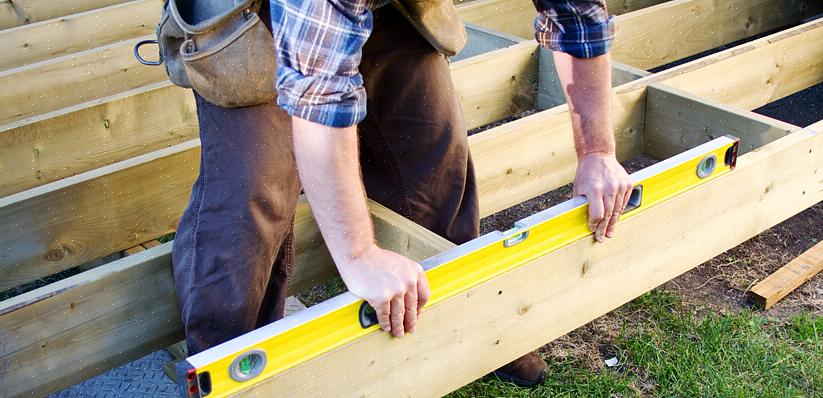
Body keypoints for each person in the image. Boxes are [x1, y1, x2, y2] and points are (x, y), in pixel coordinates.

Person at [171, 0, 632, 388]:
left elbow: (579, 17)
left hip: (372, 8)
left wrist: (597, 151)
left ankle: (463, 326)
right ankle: (236, 371)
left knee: (430, 152)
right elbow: (319, 93)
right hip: (243, 14)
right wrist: (358, 255)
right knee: (256, 189)